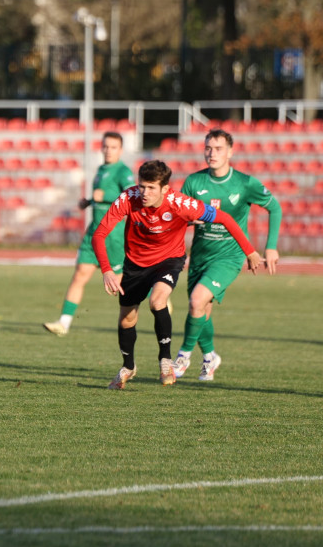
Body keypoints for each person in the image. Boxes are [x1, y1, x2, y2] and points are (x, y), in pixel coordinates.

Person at [94, 160, 262, 390]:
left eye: (151, 188)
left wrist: (250, 251)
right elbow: (99, 234)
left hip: (168, 260)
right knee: (127, 319)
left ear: (165, 188)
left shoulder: (181, 203)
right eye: (142, 186)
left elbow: (226, 219)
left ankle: (165, 360)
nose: (144, 192)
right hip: (135, 263)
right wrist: (106, 270)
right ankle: (128, 366)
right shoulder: (128, 197)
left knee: (158, 301)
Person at [172, 128, 282, 381]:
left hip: (229, 256)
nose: (212, 153)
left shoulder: (245, 183)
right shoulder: (193, 182)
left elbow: (274, 208)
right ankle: (210, 357)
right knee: (201, 310)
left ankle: (183, 356)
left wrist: (271, 245)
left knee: (196, 301)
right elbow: (179, 216)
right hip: (200, 256)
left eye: (219, 148)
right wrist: (189, 222)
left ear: (230, 152)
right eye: (208, 148)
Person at [44, 132, 134, 336]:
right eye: (106, 146)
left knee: (120, 285)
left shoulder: (123, 171)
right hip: (94, 233)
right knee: (80, 274)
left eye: (113, 147)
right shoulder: (101, 169)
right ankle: (63, 323)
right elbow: (99, 197)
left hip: (114, 236)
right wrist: (89, 202)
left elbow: (130, 196)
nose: (108, 150)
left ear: (120, 150)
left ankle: (157, 296)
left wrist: (105, 196)